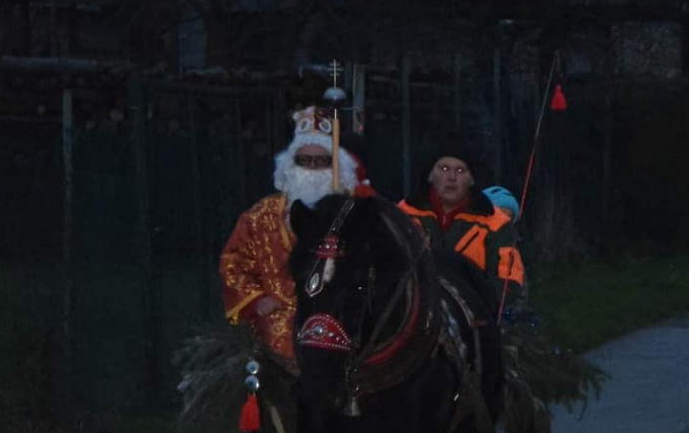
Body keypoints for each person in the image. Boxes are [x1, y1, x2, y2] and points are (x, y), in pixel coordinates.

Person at [219, 104, 372, 364]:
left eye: (322, 162)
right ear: (290, 165)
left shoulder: (356, 213)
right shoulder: (260, 216)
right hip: (280, 323)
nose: (312, 169)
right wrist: (257, 301)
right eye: (305, 161)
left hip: (342, 321)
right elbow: (233, 263)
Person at [399, 139, 526, 315]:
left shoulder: (496, 223)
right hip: (409, 313)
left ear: (471, 179)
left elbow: (508, 282)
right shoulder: (402, 215)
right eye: (444, 169)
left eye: (460, 170)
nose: (452, 177)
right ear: (430, 175)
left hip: (473, 318)